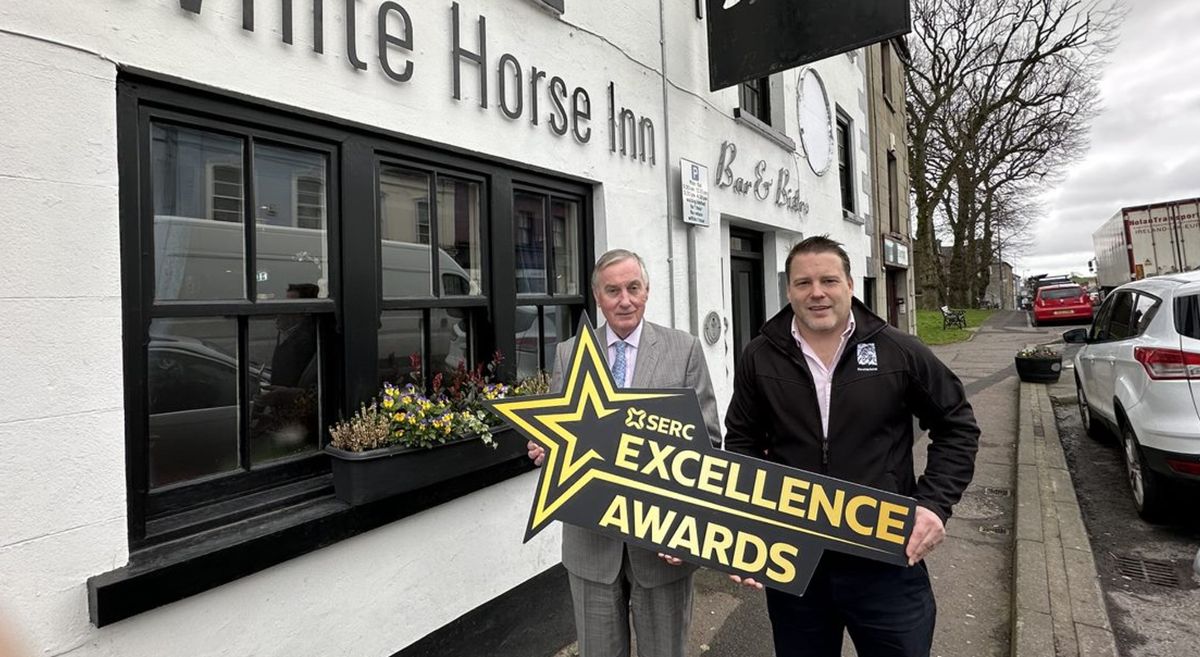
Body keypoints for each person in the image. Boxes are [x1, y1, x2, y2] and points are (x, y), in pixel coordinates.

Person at [723, 235, 980, 657]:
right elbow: (742, 442)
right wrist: (751, 523)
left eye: (829, 280)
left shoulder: (898, 350)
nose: (817, 293)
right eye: (803, 283)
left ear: (850, 285)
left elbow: (956, 424)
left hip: (886, 557)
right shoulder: (759, 357)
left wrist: (934, 505)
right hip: (795, 559)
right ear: (789, 290)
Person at [527, 249, 721, 657]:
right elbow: (556, 432)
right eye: (612, 290)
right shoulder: (569, 353)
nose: (624, 299)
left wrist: (688, 526)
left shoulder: (682, 350)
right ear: (598, 297)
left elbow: (708, 443)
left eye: (633, 288)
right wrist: (546, 447)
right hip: (591, 546)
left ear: (647, 291)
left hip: (662, 543)